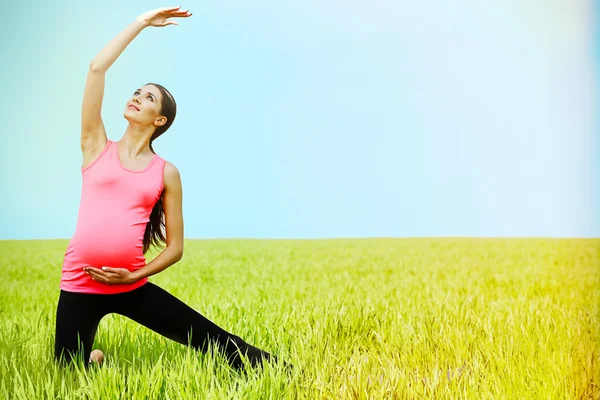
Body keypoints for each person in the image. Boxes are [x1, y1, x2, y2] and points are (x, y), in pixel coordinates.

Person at [54, 6, 275, 370]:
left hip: (131, 285)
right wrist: (142, 23)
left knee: (214, 341)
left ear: (159, 120)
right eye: (137, 91)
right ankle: (93, 359)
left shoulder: (166, 172)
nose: (137, 96)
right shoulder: (96, 146)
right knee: (67, 372)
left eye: (149, 97)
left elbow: (175, 248)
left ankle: (282, 371)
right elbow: (96, 68)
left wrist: (135, 275)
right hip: (80, 281)